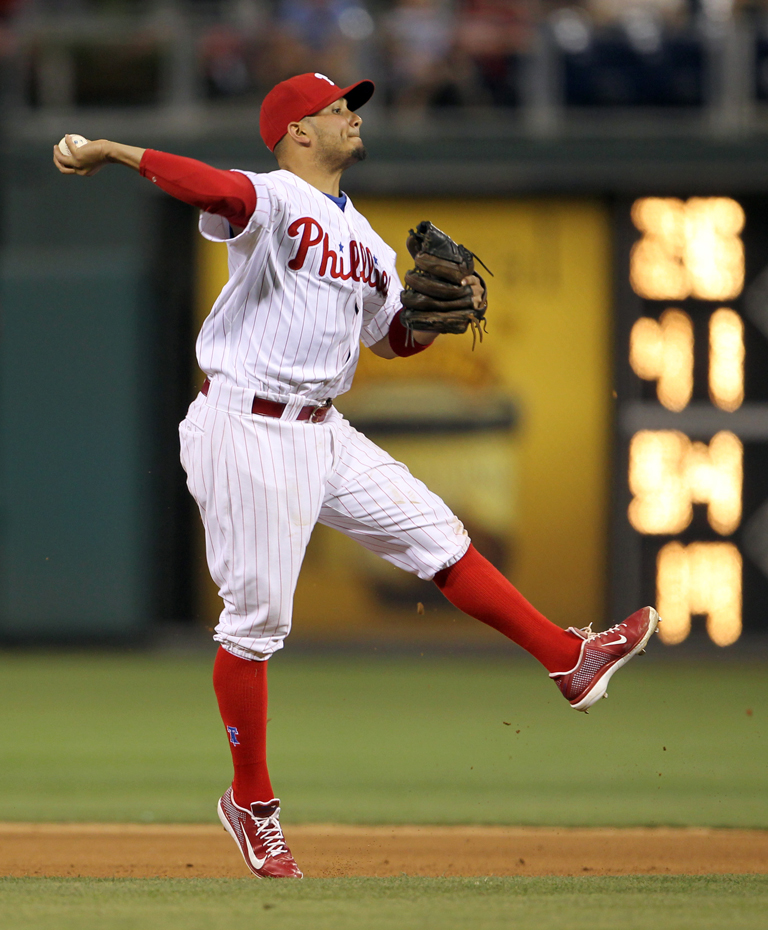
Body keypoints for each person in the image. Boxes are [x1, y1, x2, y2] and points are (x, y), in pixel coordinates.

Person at [53, 72, 659, 880]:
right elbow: (213, 188)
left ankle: (568, 660)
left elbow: (394, 340)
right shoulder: (272, 197)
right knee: (257, 624)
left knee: (438, 537)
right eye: (335, 108)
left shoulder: (369, 241)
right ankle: (252, 805)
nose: (350, 116)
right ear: (298, 131)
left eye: (350, 105)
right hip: (245, 424)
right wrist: (112, 150)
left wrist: (443, 314)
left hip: (322, 428)